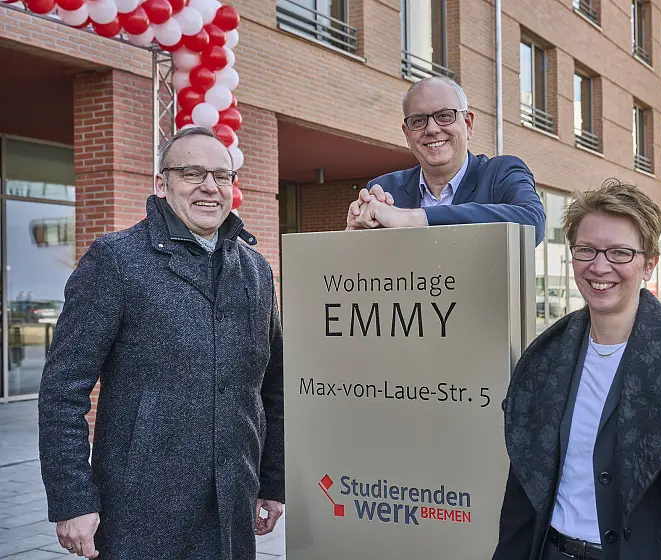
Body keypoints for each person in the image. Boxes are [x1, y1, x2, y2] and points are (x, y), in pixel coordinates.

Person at [38, 127, 285, 559]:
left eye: (221, 176)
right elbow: (62, 389)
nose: (209, 186)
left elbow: (273, 386)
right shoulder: (116, 260)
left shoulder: (256, 271)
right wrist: (72, 499)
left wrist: (273, 480)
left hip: (232, 505)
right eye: (192, 173)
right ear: (161, 184)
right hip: (139, 510)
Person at [493, 179, 661, 560]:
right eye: (586, 250)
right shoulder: (544, 357)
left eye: (620, 253)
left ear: (649, 265)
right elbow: (522, 493)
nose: (600, 266)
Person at [346, 76, 546, 244]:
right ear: (407, 135)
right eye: (418, 120)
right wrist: (352, 241)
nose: (432, 129)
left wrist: (414, 217)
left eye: (444, 116)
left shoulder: (501, 174)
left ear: (468, 124)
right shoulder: (385, 191)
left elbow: (532, 224)